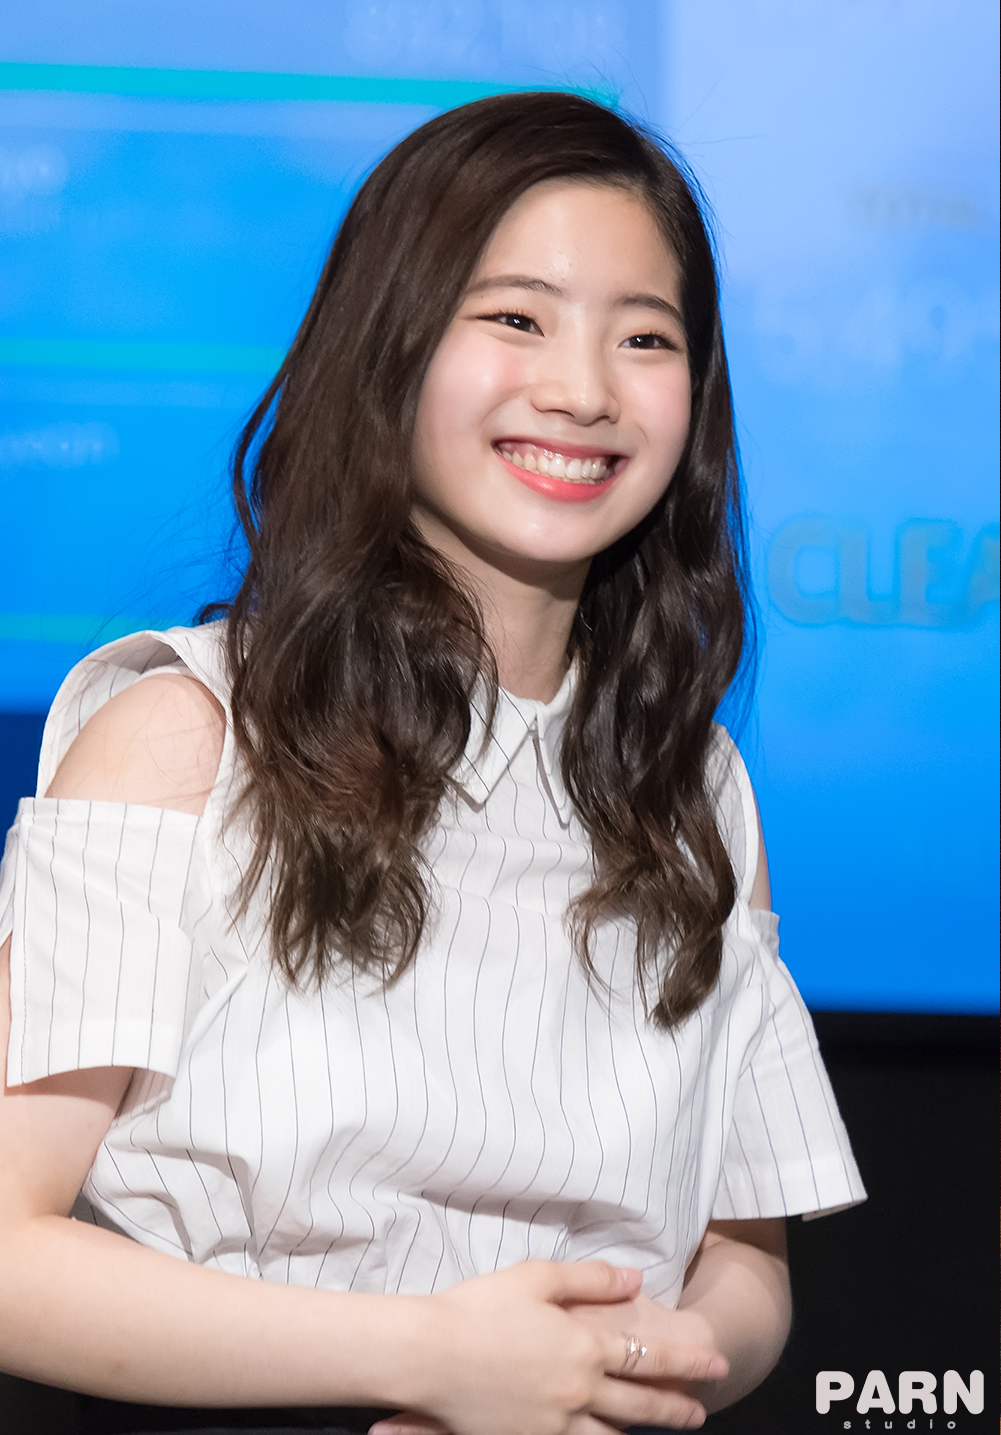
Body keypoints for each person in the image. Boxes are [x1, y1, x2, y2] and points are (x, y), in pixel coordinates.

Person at [0, 91, 864, 1435]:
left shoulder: (697, 795)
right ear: (386, 349)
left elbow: (741, 1260)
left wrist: (629, 1369)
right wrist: (429, 1360)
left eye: (645, 336)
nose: (582, 389)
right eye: (515, 318)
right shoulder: (187, 735)